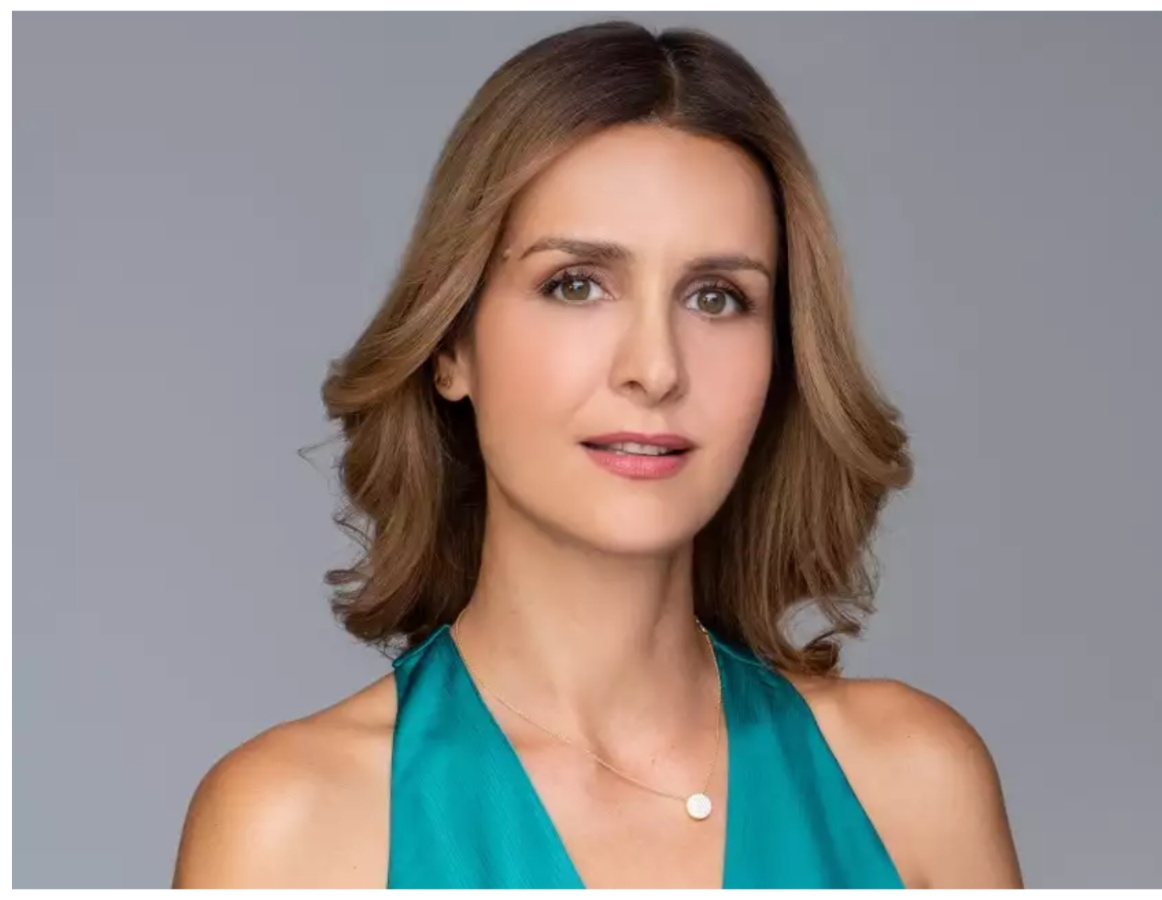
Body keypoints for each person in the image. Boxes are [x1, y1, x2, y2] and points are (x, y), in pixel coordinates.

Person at [171, 19, 1023, 889]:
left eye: (717, 298)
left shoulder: (912, 788)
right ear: (451, 344)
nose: (656, 368)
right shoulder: (293, 830)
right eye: (576, 284)